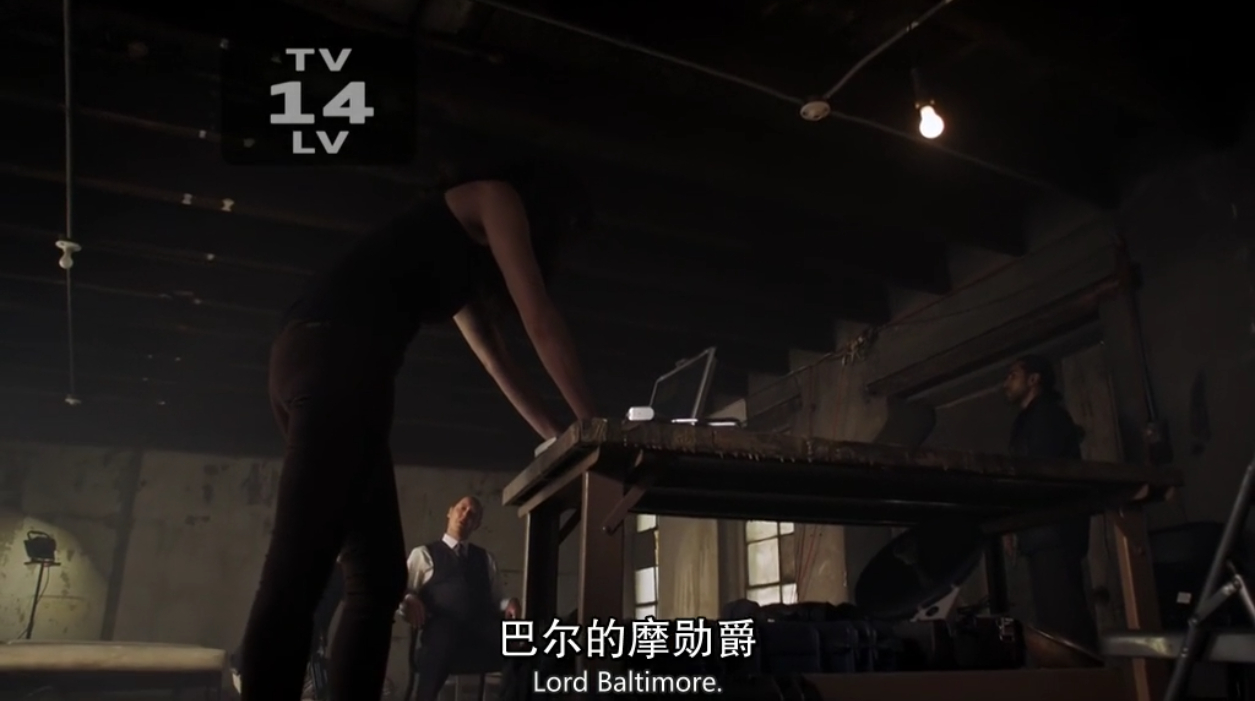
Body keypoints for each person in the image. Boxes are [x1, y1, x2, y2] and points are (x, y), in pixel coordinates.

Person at [238, 162, 598, 701]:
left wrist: (558, 433)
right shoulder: (495, 196)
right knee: (300, 568)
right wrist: (595, 426)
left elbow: (497, 361)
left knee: (379, 577)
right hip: (337, 362)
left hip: (327, 364)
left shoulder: (457, 258)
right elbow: (539, 320)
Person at [1001, 354, 1098, 651]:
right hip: (1042, 530)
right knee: (1055, 620)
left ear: (1034, 379)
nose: (1006, 383)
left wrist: (1014, 520)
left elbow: (1039, 474)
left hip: (1054, 529)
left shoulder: (1046, 417)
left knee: (1065, 621)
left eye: (1013, 375)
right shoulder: (1029, 420)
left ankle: (1084, 676)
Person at [399, 495, 520, 701]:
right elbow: (402, 590)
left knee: (524, 645)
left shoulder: (485, 558)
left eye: (472, 514)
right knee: (440, 642)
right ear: (450, 512)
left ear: (477, 524)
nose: (465, 515)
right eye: (461, 509)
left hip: (481, 631)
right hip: (441, 632)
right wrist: (409, 598)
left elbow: (496, 598)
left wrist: (509, 603)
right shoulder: (424, 554)